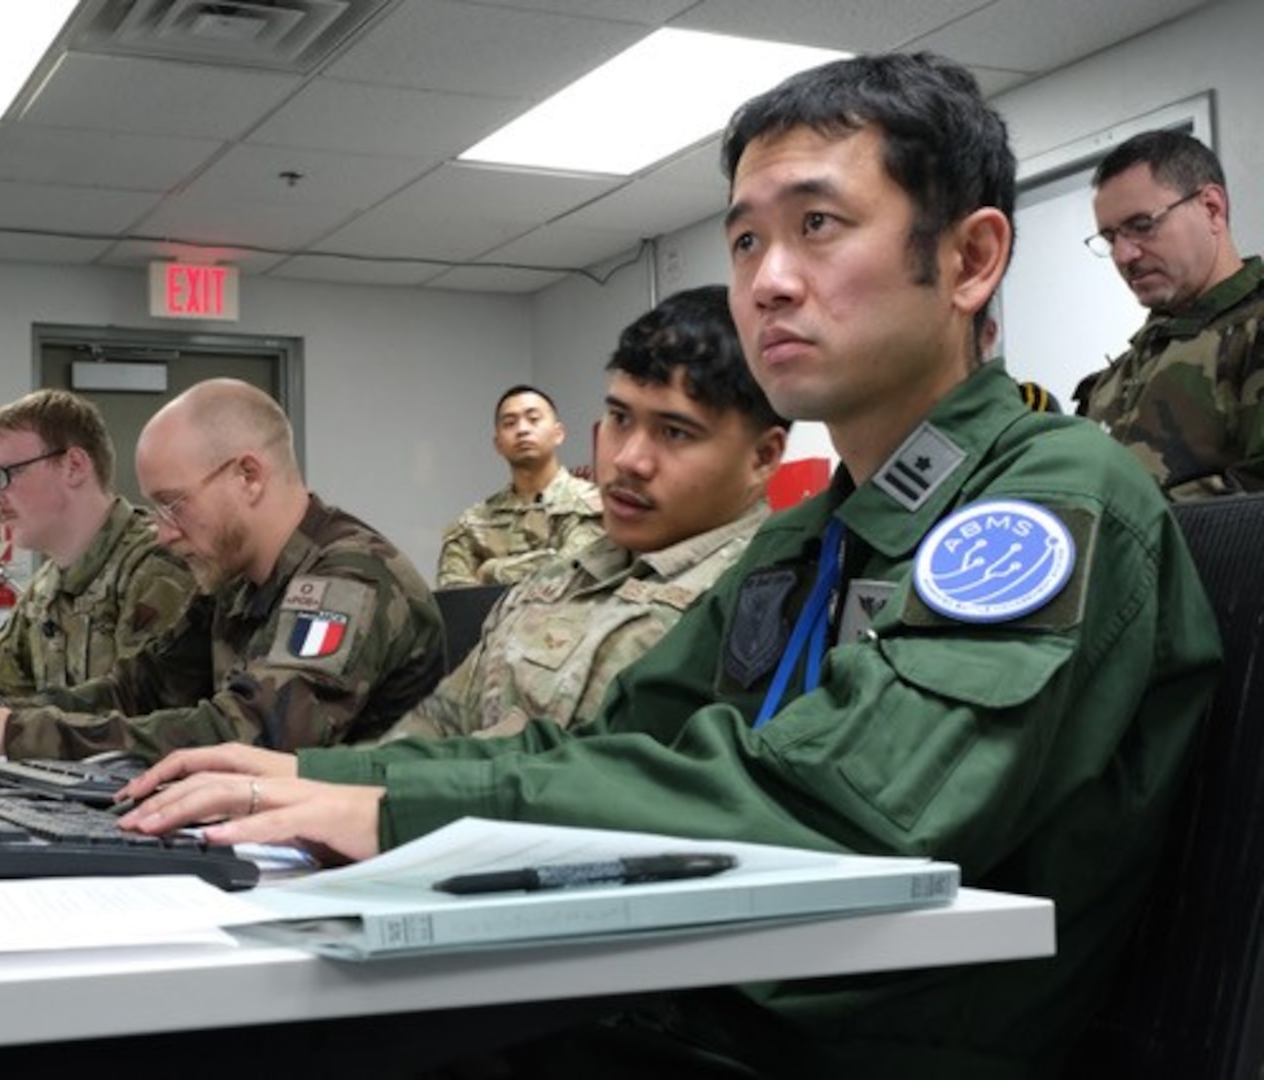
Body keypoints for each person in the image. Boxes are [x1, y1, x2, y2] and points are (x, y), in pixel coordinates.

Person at [113, 53, 1222, 1078]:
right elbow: (621, 747)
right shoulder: (810, 536)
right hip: (701, 1000)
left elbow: (846, 810)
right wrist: (325, 781)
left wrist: (394, 812)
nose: (767, 282)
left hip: (847, 1043)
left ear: (970, 259)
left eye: (818, 226)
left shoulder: (1045, 500)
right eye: (743, 241)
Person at [0, 378, 445, 760]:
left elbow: (252, 736)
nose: (161, 529)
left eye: (173, 504)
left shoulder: (348, 579)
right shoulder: (235, 579)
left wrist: (12, 732)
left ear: (247, 476)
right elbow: (140, 690)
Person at [375, 285, 787, 743]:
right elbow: (436, 725)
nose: (629, 459)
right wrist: (332, 784)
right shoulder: (555, 581)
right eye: (620, 418)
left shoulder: (770, 598)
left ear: (763, 457)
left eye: (674, 432)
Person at [0, 388, 197, 697]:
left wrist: (3, 721)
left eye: (4, 476)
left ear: (74, 466)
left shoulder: (155, 568)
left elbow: (139, 712)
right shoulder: (45, 589)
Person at [1075, 129, 1264, 498]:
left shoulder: (1252, 334)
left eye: (1142, 226)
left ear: (1212, 208)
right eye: (1111, 238)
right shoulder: (1117, 377)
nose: (1124, 255)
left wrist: (1126, 528)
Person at [435, 385, 604, 587]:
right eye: (510, 423)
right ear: (498, 444)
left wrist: (490, 570)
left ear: (558, 433)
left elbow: (577, 570)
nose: (522, 429)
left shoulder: (593, 505)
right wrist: (547, 559)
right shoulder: (473, 523)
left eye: (533, 419)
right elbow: (455, 595)